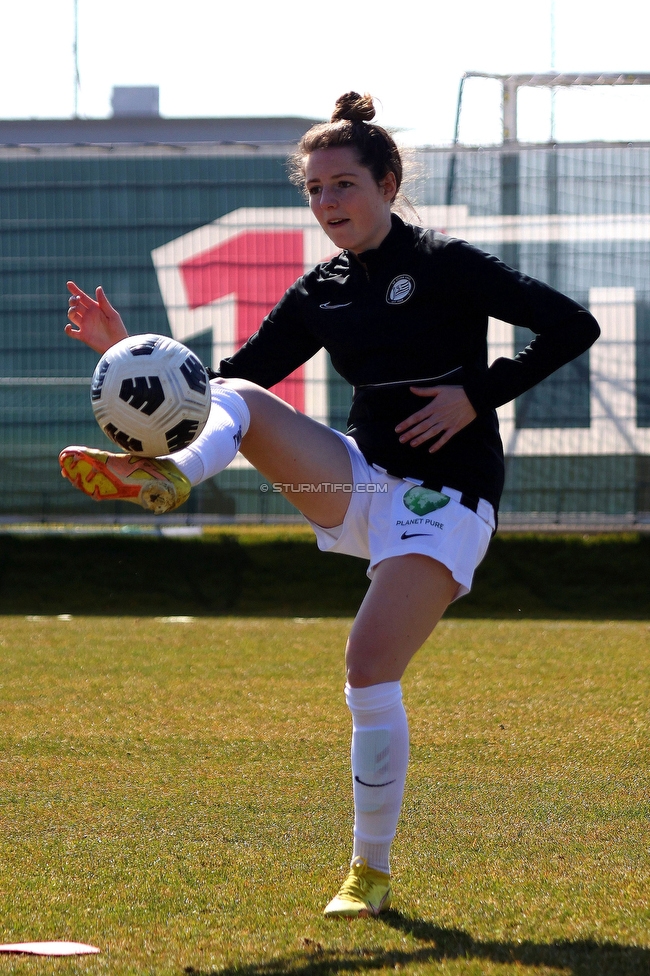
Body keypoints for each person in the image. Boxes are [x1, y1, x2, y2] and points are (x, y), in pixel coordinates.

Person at [59, 92, 600, 919]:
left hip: (445, 500)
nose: (326, 204)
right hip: (346, 485)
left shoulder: (449, 264)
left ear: (386, 183)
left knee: (367, 669)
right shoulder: (324, 289)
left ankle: (369, 871)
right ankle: (172, 479)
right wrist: (130, 356)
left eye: (342, 185)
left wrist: (475, 396)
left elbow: (572, 325)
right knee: (237, 390)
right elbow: (225, 384)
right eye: (314, 190)